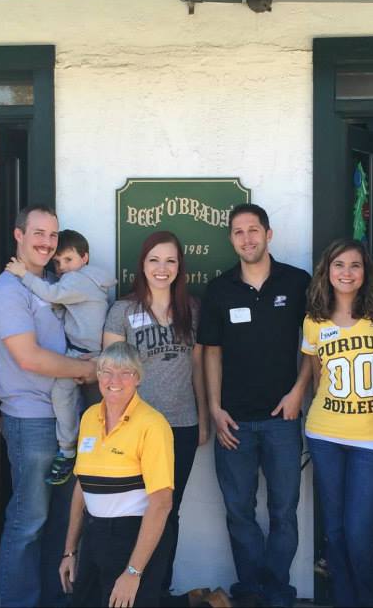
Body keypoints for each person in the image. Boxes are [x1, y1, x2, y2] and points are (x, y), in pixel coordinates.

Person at [198, 203, 311, 608]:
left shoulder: (297, 282)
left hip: (283, 418)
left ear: (268, 233)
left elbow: (315, 342)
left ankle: (276, 593)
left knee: (284, 512)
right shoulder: (220, 288)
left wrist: (299, 391)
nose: (247, 238)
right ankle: (250, 592)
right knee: (239, 512)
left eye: (253, 230)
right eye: (239, 232)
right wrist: (214, 407)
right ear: (231, 239)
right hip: (234, 421)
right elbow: (211, 352)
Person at [0, 204, 98, 607]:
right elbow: (29, 357)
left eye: (52, 236)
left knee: (62, 523)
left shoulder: (52, 283)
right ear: (18, 235)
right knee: (29, 522)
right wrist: (86, 371)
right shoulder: (6, 290)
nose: (46, 243)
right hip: (31, 420)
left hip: (67, 419)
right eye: (38, 234)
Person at [103, 230, 209, 595]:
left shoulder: (191, 310)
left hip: (180, 425)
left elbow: (197, 368)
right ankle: (126, 588)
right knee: (133, 512)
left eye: (170, 261)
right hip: (135, 428)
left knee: (167, 512)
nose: (162, 268)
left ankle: (157, 592)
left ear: (180, 267)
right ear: (142, 265)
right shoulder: (122, 310)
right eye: (154, 260)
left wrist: (204, 420)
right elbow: (110, 373)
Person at [298, 238, 373, 607]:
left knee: (359, 532)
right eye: (339, 265)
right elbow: (317, 377)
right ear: (327, 271)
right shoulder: (314, 320)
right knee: (334, 531)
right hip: (326, 434)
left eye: (355, 265)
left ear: (366, 271)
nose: (347, 273)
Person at [59, 342, 176, 608]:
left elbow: (161, 503)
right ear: (97, 376)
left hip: (133, 536)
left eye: (125, 372)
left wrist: (133, 572)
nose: (115, 380)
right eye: (107, 371)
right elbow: (82, 487)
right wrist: (70, 550)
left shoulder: (153, 425)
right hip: (94, 534)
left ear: (138, 378)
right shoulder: (89, 417)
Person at [5, 228, 116, 485]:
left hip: (85, 356)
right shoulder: (90, 280)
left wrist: (23, 274)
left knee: (62, 395)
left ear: (84, 258)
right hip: (87, 353)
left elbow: (52, 294)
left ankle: (67, 449)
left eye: (68, 260)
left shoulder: (77, 281)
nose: (62, 267)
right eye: (57, 262)